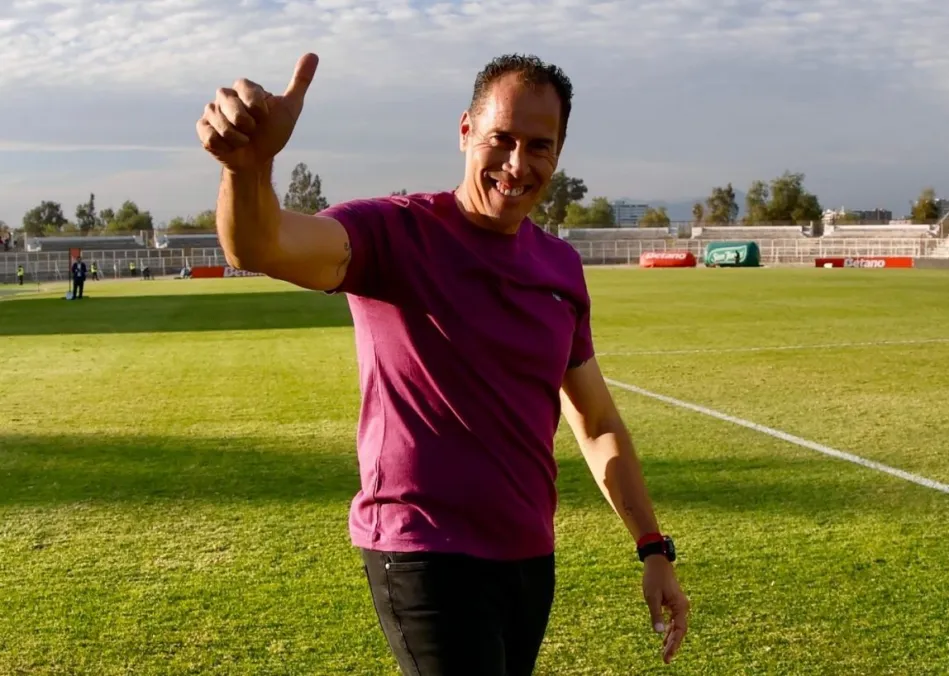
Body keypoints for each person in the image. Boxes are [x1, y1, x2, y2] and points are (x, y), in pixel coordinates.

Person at [196, 52, 689, 675]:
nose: (516, 164)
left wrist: (652, 546)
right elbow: (262, 244)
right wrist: (249, 166)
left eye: (539, 146)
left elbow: (595, 424)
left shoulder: (560, 271)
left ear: (558, 155)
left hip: (528, 555)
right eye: (500, 140)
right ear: (464, 132)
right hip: (423, 551)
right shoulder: (392, 235)